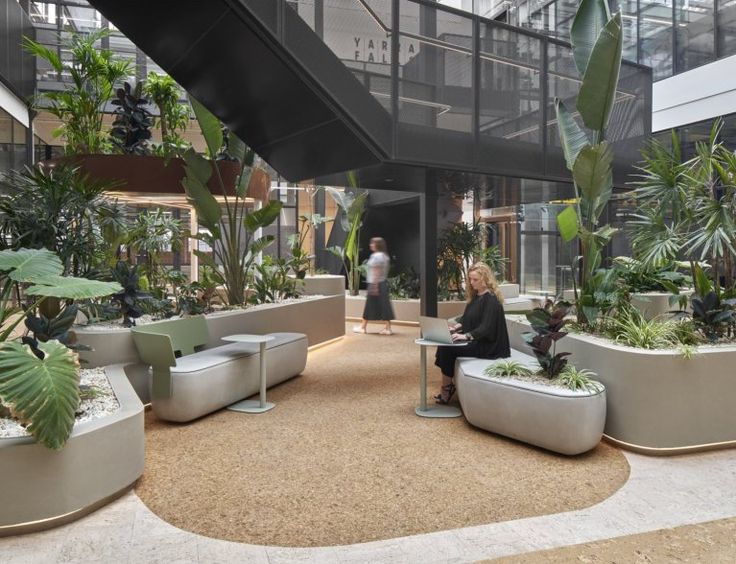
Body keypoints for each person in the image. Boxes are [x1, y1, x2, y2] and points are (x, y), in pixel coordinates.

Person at [434, 262, 510, 404]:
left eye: (475, 279)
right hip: (478, 340)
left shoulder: (491, 300)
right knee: (444, 342)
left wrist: (465, 336)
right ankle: (448, 386)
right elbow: (467, 318)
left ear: (485, 279)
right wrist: (456, 328)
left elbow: (486, 328)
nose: (471, 282)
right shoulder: (476, 297)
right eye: (470, 279)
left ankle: (446, 388)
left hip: (489, 346)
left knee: (447, 348)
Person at [353, 237, 395, 335]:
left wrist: (374, 286)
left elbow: (377, 270)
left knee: (369, 306)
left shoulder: (376, 256)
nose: (370, 245)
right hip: (382, 284)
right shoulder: (385, 256)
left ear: (377, 245)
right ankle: (388, 328)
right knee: (384, 306)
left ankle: (363, 327)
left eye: (373, 243)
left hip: (375, 284)